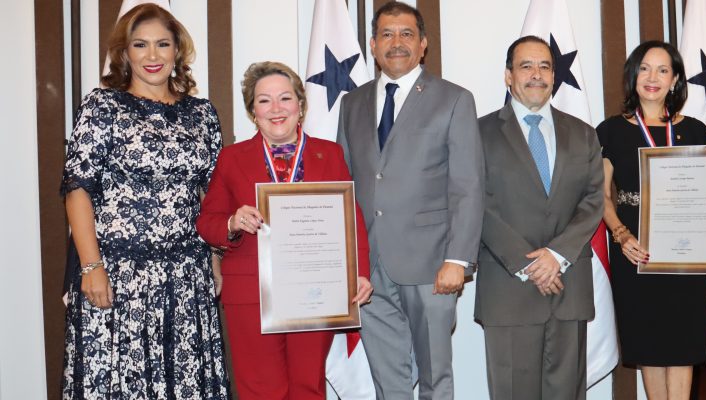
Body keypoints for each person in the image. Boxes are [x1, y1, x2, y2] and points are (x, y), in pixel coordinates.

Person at [60, 4, 229, 398]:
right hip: (118, 275)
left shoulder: (202, 114)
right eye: (140, 45)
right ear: (125, 52)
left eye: (162, 44)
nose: (152, 55)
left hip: (186, 277)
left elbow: (214, 194)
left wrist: (215, 257)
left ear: (177, 51)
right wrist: (91, 266)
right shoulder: (102, 107)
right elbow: (77, 189)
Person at [196, 61, 373, 399]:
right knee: (261, 389)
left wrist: (359, 273)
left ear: (300, 105)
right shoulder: (232, 158)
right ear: (253, 111)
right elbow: (207, 221)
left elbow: (351, 217)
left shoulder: (329, 153)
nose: (276, 108)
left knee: (308, 387)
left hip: (314, 290)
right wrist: (233, 222)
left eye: (285, 98)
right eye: (264, 100)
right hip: (251, 293)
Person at [335, 3, 484, 399]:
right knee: (389, 382)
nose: (396, 42)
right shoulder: (352, 103)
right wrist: (346, 260)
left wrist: (458, 260)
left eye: (406, 34)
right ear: (372, 44)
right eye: (386, 34)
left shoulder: (454, 99)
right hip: (369, 269)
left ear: (423, 44)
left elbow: (468, 184)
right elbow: (345, 184)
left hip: (432, 264)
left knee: (435, 377)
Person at [596, 40, 706, 400]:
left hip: (687, 254)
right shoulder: (611, 130)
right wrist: (621, 234)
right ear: (633, 76)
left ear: (675, 79)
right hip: (636, 252)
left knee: (682, 345)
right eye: (645, 68)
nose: (652, 77)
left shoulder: (696, 131)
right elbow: (600, 194)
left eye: (663, 70)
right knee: (649, 345)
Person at [475, 35, 603, 400]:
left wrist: (556, 256)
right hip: (508, 289)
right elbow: (475, 203)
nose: (536, 74)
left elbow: (593, 199)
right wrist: (530, 263)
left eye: (545, 66)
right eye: (526, 66)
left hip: (568, 287)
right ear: (508, 76)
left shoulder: (583, 133)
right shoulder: (477, 133)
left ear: (554, 76)